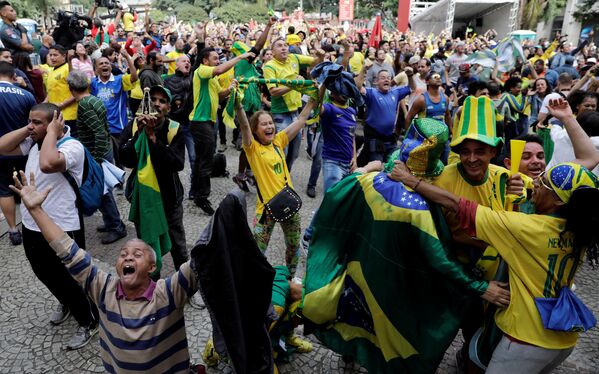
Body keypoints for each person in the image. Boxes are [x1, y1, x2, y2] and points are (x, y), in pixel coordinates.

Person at [388, 101, 599, 374]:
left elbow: (458, 206)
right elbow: (589, 161)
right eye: (465, 151)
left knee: (478, 343)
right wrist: (569, 117)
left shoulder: (522, 216)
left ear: (495, 152)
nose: (535, 181)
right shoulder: (579, 221)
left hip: (512, 316)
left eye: (481, 151)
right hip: (466, 287)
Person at [10, 172, 200, 373]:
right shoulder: (103, 289)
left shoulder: (169, 292)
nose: (127, 257)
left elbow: (203, 259)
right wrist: (36, 210)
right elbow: (67, 250)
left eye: (137, 254)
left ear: (152, 267)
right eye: (123, 254)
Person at [0, 104, 99, 349]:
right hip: (33, 223)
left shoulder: (72, 146)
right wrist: (32, 128)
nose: (31, 127)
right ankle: (66, 301)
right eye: (29, 121)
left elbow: (47, 164)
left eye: (37, 122)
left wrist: (52, 131)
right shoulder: (34, 142)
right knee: (43, 271)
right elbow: (2, 146)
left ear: (55, 122)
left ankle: (89, 320)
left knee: (71, 277)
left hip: (63, 225)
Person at [237, 97, 316, 276]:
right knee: (256, 251)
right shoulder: (252, 148)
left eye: (271, 123)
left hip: (289, 203)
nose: (269, 127)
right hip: (266, 210)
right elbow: (244, 126)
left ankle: (290, 278)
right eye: (264, 124)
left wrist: (314, 97)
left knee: (294, 247)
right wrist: (239, 106)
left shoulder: (279, 141)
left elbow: (301, 119)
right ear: (256, 130)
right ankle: (251, 282)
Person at [120, 85, 189, 272]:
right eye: (153, 100)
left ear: (169, 108)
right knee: (147, 248)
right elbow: (125, 158)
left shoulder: (174, 129)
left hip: (169, 199)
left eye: (162, 101)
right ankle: (151, 289)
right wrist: (138, 136)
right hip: (145, 200)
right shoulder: (134, 125)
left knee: (178, 247)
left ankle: (186, 287)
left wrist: (153, 139)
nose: (157, 104)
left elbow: (177, 163)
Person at [188, 47, 254, 215]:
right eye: (215, 58)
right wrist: (240, 57)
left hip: (208, 122)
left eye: (219, 58)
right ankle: (202, 197)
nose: (218, 61)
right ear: (205, 61)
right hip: (200, 121)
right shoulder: (202, 70)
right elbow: (219, 69)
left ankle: (196, 193)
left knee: (202, 159)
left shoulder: (212, 78)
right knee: (206, 160)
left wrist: (231, 87)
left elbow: (219, 95)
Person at [67, 70, 127, 245]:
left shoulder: (85, 104)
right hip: (100, 151)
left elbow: (99, 133)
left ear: (71, 88)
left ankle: (116, 226)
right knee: (103, 191)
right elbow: (104, 128)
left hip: (96, 154)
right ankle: (111, 222)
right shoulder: (94, 99)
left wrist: (97, 160)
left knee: (101, 192)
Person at [263, 38, 324, 171]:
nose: (284, 48)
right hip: (280, 115)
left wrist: (320, 55)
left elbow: (315, 62)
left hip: (296, 113)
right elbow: (273, 92)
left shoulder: (294, 57)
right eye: (279, 46)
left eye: (285, 45)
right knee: (281, 152)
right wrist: (294, 85)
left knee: (294, 153)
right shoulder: (269, 66)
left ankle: (285, 177)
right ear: (272, 52)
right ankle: (276, 181)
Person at [0, 62, 35, 245]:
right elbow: (35, 122)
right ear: (14, 76)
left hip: (1, 153)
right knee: (28, 185)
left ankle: (13, 230)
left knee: (4, 189)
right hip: (24, 149)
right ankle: (35, 222)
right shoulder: (26, 95)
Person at [356, 60, 416, 162]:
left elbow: (412, 89)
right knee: (376, 166)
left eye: (388, 78)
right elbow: (358, 87)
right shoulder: (372, 92)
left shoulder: (395, 92)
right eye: (383, 78)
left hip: (390, 138)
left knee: (393, 165)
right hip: (375, 138)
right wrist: (364, 69)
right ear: (376, 82)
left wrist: (410, 76)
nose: (386, 80)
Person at [91, 50, 138, 166]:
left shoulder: (120, 80)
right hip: (102, 130)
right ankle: (112, 184)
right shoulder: (93, 83)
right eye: (101, 64)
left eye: (106, 63)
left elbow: (134, 77)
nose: (104, 65)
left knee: (120, 161)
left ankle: (120, 183)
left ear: (111, 67)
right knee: (107, 162)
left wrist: (127, 57)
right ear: (96, 69)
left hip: (118, 129)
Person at [45, 45, 78, 137]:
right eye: (50, 55)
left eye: (55, 55)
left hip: (69, 116)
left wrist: (61, 105)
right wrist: (44, 103)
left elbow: (77, 92)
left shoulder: (69, 69)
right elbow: (51, 91)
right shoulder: (51, 71)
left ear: (64, 56)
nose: (52, 58)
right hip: (56, 115)